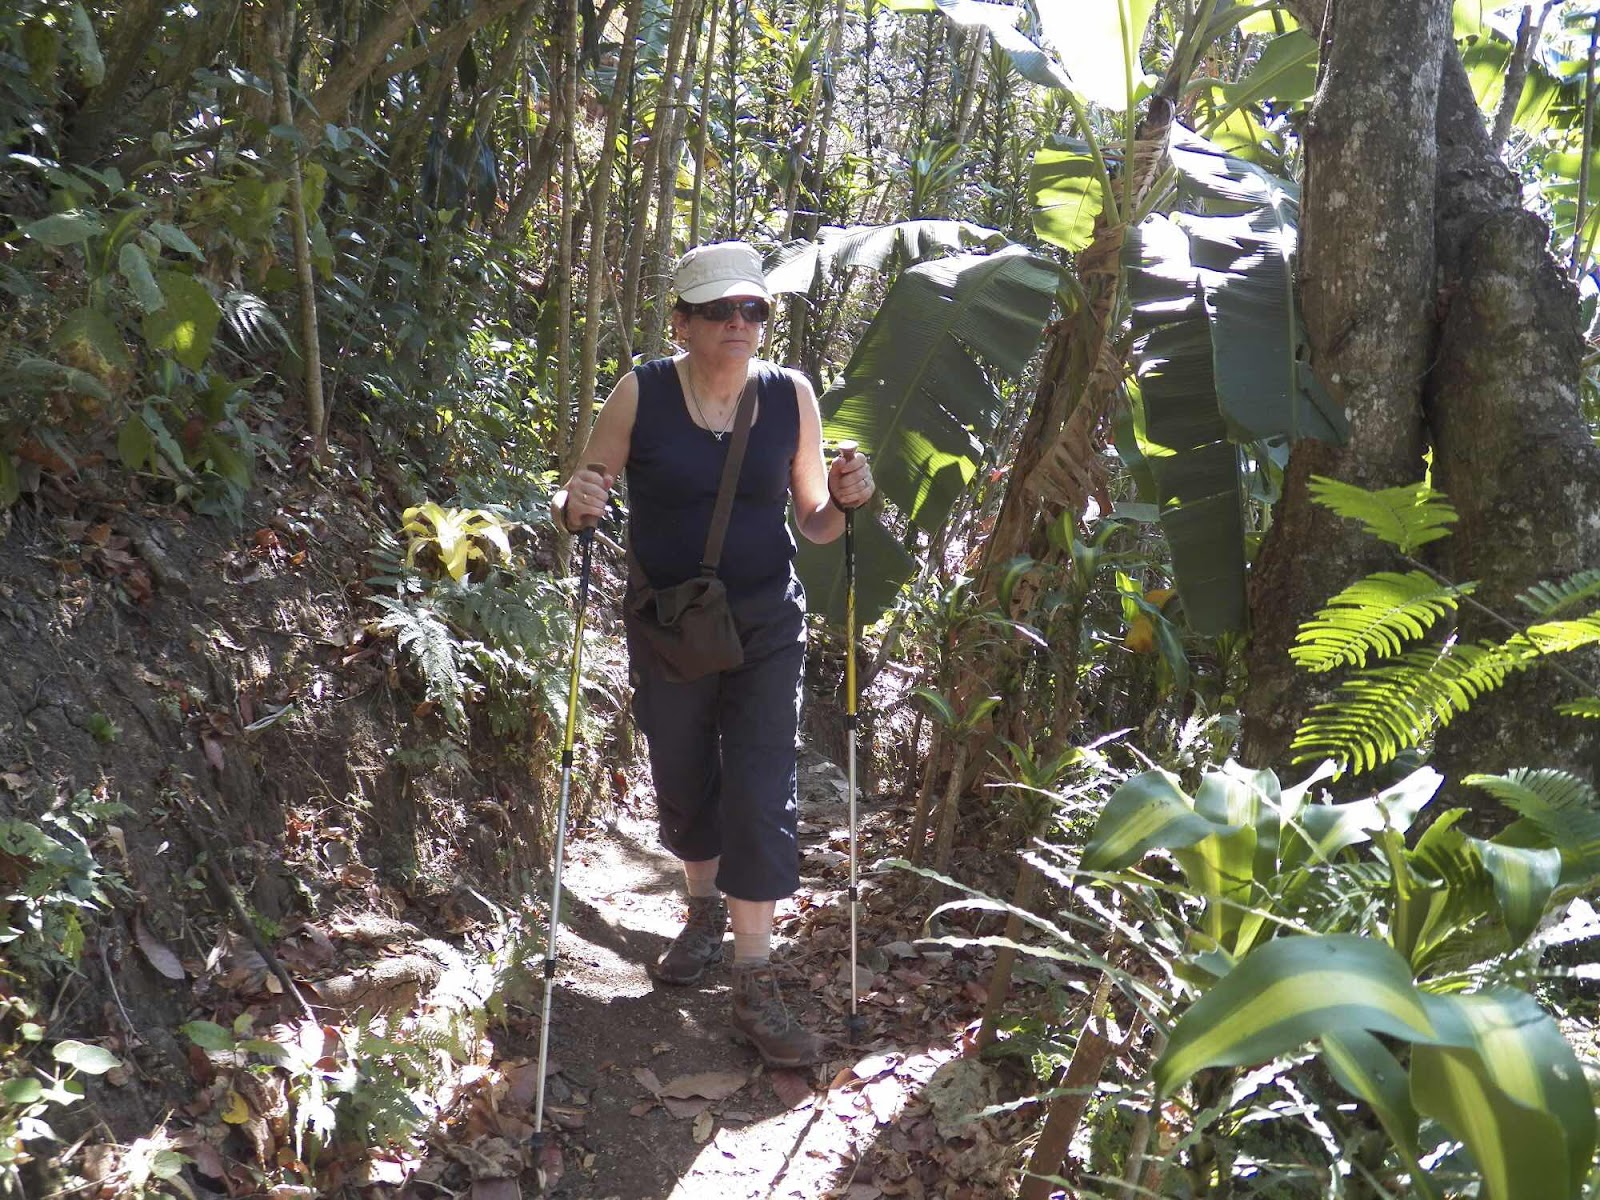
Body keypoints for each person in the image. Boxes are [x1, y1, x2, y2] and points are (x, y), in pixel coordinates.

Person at [550, 241, 874, 1068]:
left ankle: (754, 978)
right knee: (683, 770)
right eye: (721, 310)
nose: (740, 323)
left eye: (753, 309)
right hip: (670, 621)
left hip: (766, 621)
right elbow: (582, 493)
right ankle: (701, 910)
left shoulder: (789, 395)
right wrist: (574, 499)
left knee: (762, 783)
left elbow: (816, 521)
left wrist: (842, 500)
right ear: (683, 322)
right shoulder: (642, 392)